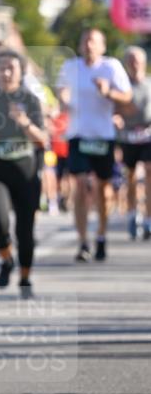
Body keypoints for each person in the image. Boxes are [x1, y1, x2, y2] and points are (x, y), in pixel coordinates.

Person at [0, 50, 48, 298]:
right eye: (1, 68)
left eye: (11, 68)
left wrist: (24, 122)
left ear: (21, 72)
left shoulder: (31, 100)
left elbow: (43, 139)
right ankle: (6, 259)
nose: (6, 73)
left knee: (25, 231)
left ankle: (25, 278)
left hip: (26, 173)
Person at [57, 29, 132, 262]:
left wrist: (108, 92)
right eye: (84, 40)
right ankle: (83, 242)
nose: (88, 45)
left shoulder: (111, 67)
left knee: (103, 189)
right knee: (79, 184)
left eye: (93, 41)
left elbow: (127, 97)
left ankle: (101, 234)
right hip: (78, 135)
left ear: (102, 46)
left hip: (103, 135)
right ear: (80, 45)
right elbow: (61, 91)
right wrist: (63, 98)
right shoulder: (71, 67)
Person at [118, 46, 151, 240]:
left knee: (149, 171)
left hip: (148, 135)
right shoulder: (122, 86)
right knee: (129, 176)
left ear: (144, 62)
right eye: (130, 60)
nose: (134, 63)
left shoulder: (149, 83)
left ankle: (148, 217)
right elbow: (114, 107)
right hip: (127, 136)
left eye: (137, 59)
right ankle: (132, 214)